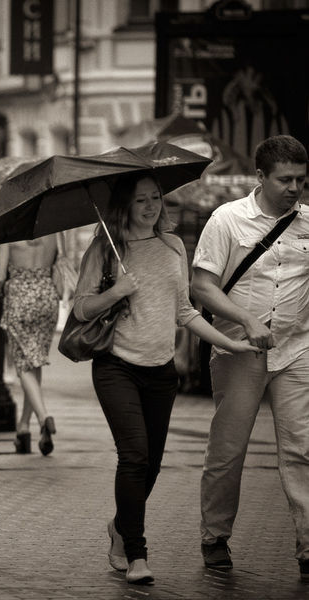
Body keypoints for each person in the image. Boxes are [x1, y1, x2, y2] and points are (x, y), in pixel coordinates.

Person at [72, 173, 258, 585]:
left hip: (160, 371)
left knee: (151, 465)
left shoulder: (173, 245)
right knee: (134, 456)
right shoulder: (106, 247)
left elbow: (185, 311)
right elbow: (82, 309)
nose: (151, 206)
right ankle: (137, 553)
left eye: (155, 198)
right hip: (116, 366)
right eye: (141, 200)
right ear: (125, 205)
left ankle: (120, 526)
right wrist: (117, 291)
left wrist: (230, 344)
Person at [191, 135, 309, 580]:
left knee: (301, 449)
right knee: (229, 449)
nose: (295, 188)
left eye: (301, 179)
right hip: (238, 348)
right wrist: (245, 319)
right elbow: (201, 286)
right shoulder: (228, 220)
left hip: (297, 351)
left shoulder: (307, 223)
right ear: (261, 178)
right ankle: (215, 535)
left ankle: (308, 545)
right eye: (285, 180)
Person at [0, 235, 61, 455]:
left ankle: (43, 417)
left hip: (20, 299)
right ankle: (24, 428)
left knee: (23, 366)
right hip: (47, 297)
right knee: (35, 363)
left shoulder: (10, 236)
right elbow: (59, 262)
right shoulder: (53, 233)